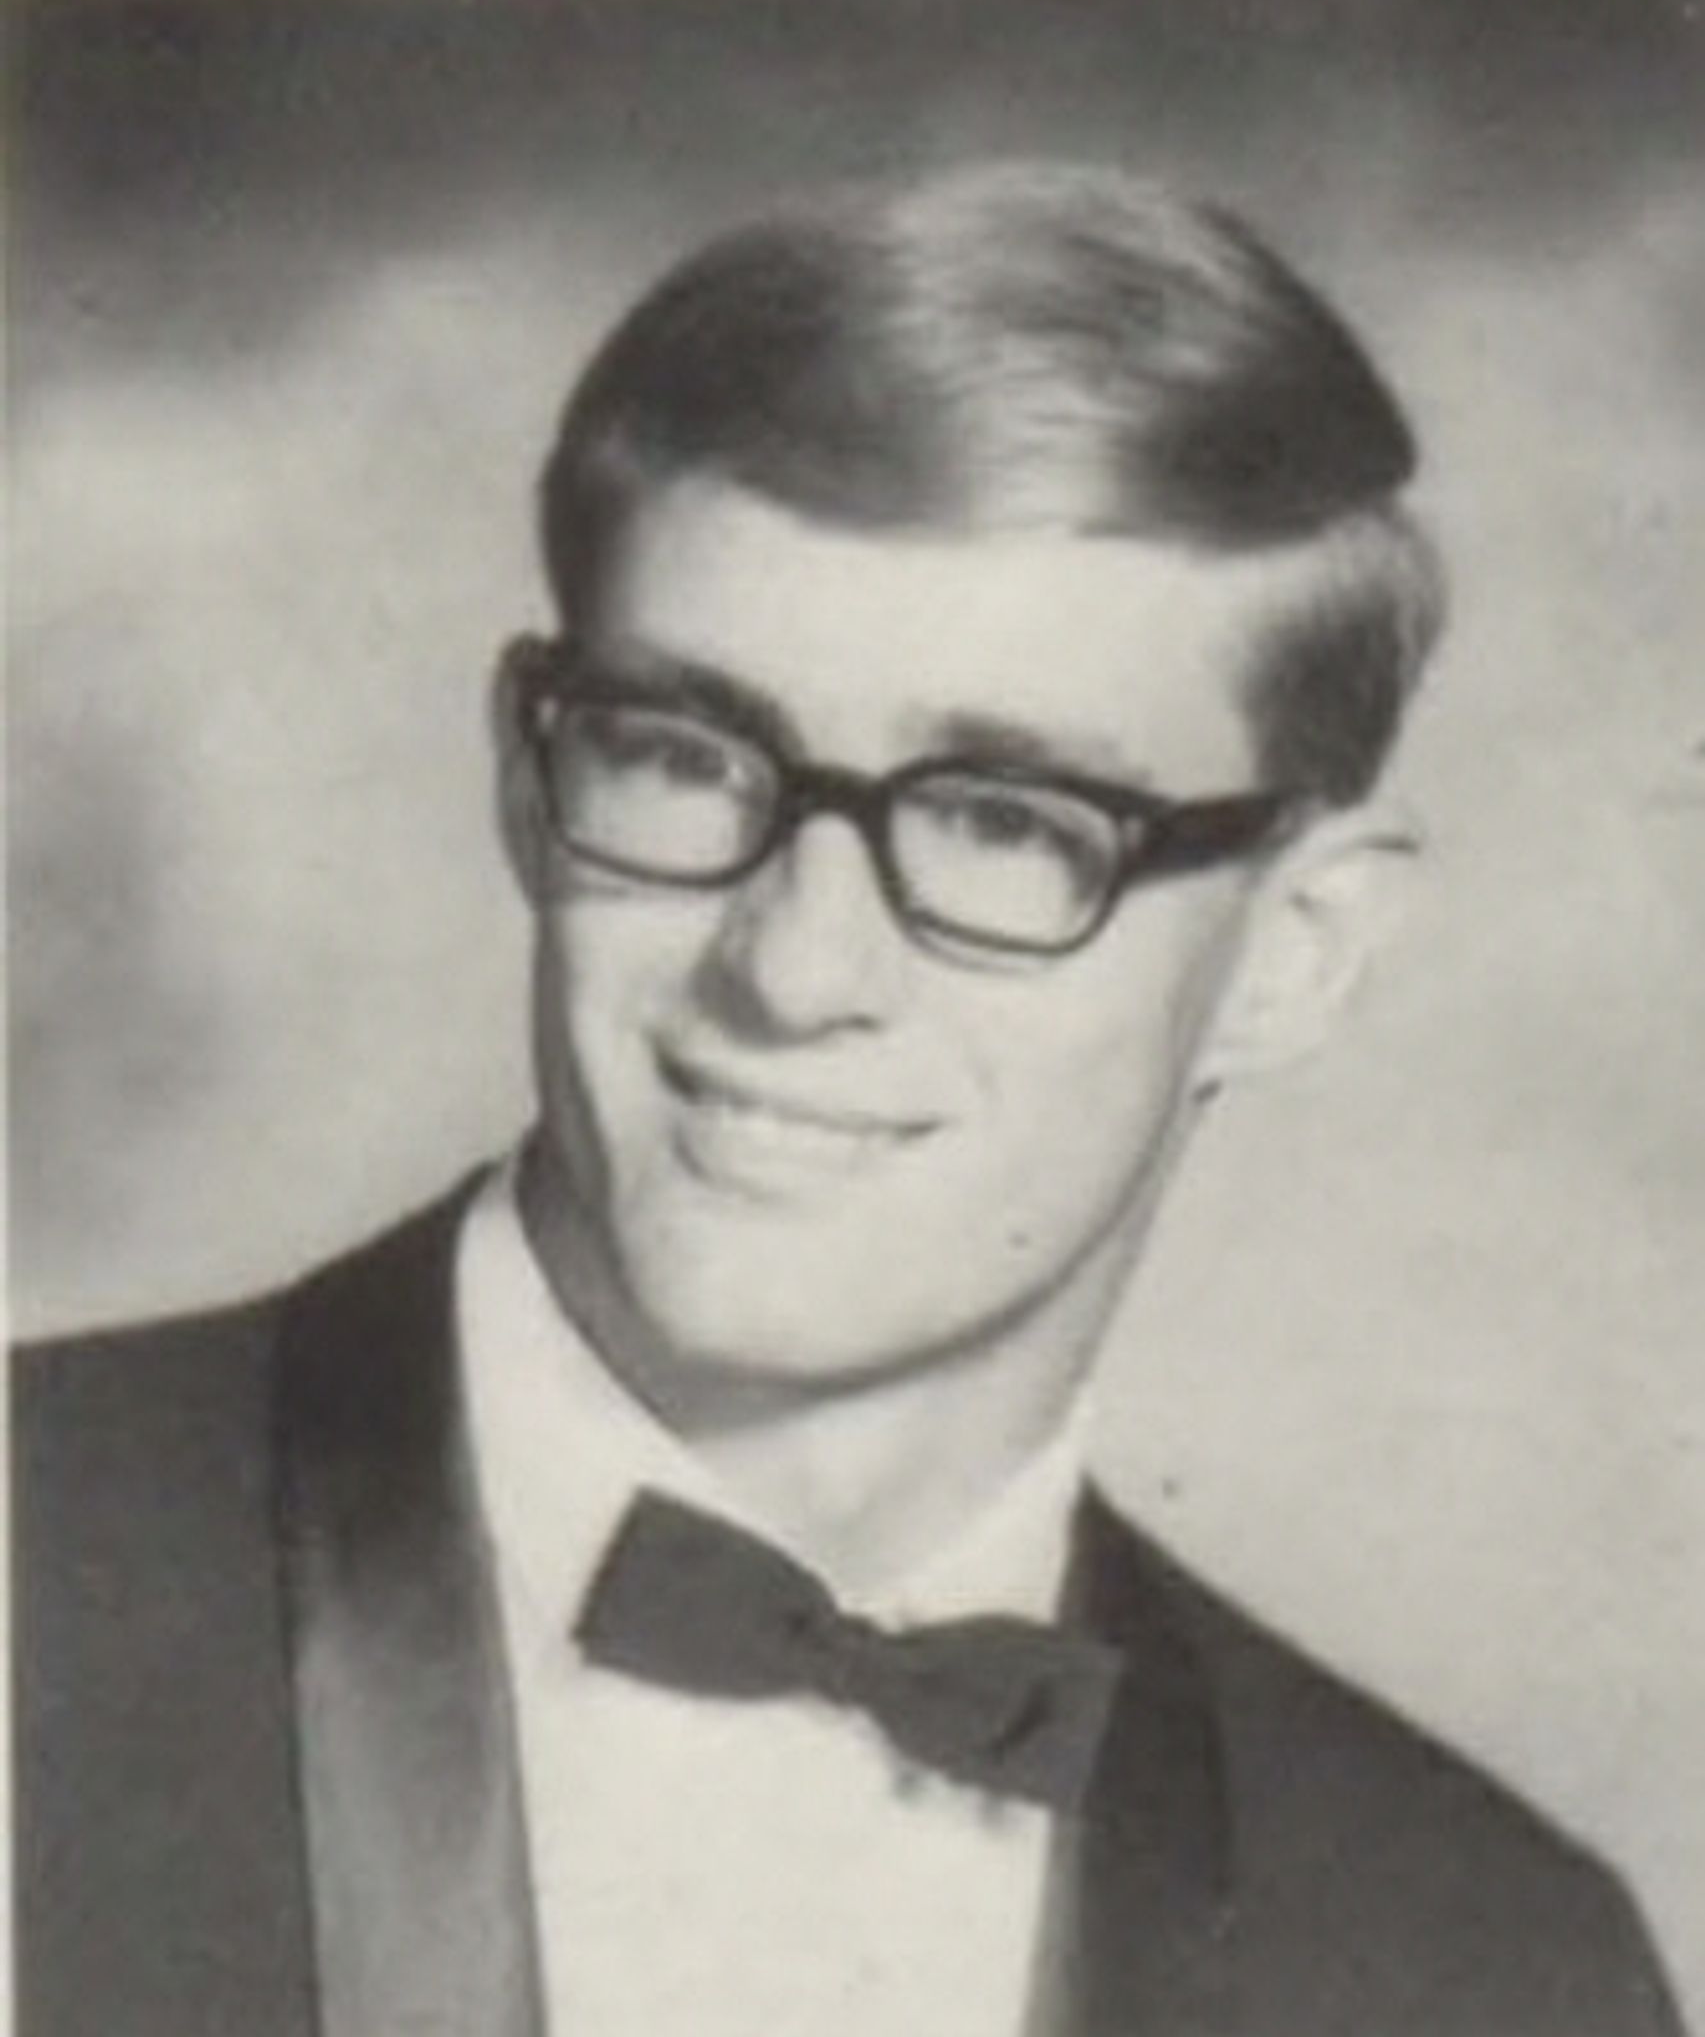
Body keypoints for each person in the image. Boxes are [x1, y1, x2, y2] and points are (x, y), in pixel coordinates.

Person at [13, 163, 1687, 2037]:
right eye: (681, 757)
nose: (794, 970)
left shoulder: (1493, 1967)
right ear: (525, 777)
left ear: (1294, 950)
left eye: (1007, 824)